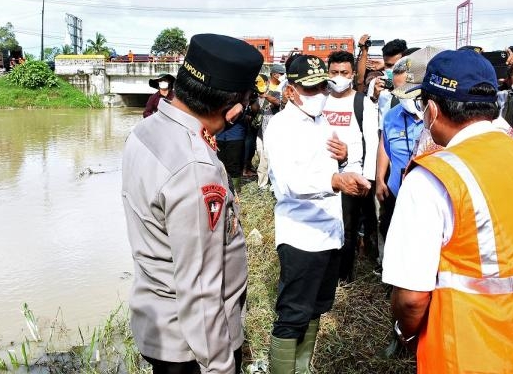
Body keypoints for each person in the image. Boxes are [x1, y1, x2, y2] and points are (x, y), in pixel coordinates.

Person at [382, 49, 513, 373]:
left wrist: (404, 332)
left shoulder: (433, 180)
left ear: (431, 110)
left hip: (474, 356)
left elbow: (412, 299)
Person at [122, 33, 263, 374]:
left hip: (158, 320)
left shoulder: (147, 130)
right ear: (232, 107)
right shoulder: (195, 167)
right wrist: (219, 366)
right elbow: (200, 289)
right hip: (190, 349)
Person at [264, 54, 371, 373]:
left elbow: (332, 165)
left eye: (321, 87)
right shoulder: (281, 127)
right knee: (293, 313)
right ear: (291, 90)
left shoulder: (322, 120)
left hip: (329, 233)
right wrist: (335, 180)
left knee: (316, 308)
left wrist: (345, 159)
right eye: (309, 90)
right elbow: (288, 183)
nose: (318, 95)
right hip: (301, 236)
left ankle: (302, 367)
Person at [376, 46, 443, 251]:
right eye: (398, 92)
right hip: (397, 195)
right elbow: (385, 146)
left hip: (433, 201)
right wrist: (380, 179)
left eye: (407, 91)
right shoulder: (392, 115)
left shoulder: (444, 120)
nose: (402, 97)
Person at [323, 50, 379, 283]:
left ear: (352, 73)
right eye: (334, 72)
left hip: (352, 174)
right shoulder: (321, 100)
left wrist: (368, 179)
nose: (339, 77)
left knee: (347, 228)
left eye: (344, 72)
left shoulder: (362, 103)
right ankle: (325, 271)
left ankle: (344, 276)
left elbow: (371, 142)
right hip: (324, 176)